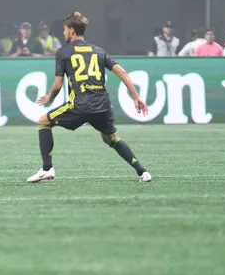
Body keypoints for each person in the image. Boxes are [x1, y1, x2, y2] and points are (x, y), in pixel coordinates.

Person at [28, 12, 152, 183]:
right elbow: (121, 72)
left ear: (71, 30)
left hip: (80, 105)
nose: (63, 33)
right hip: (102, 106)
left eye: (65, 30)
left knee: (44, 121)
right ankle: (142, 172)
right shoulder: (99, 51)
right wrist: (136, 96)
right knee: (111, 138)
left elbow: (58, 85)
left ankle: (47, 169)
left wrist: (50, 97)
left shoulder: (63, 52)